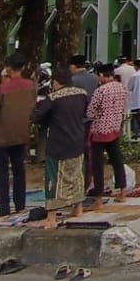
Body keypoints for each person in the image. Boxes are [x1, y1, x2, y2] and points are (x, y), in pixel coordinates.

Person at [32, 67, 90, 223]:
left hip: (59, 143)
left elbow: (37, 117)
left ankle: (51, 217)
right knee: (77, 175)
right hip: (77, 140)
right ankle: (78, 209)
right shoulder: (82, 94)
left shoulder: (53, 98)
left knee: (54, 179)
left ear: (56, 82)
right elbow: (86, 112)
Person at [0, 55, 37, 215]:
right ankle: (20, 205)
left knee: (2, 173)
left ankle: (4, 208)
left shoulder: (3, 89)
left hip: (3, 136)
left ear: (9, 69)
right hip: (21, 133)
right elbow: (32, 105)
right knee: (19, 170)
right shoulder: (30, 85)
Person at [86, 64, 128, 199]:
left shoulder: (101, 90)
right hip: (115, 129)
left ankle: (98, 197)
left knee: (97, 165)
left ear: (102, 75)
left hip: (99, 131)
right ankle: (122, 192)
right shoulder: (121, 87)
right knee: (117, 160)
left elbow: (90, 112)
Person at [121, 56, 140, 139]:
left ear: (135, 66)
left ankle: (137, 134)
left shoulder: (134, 76)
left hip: (136, 100)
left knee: (136, 118)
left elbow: (129, 87)